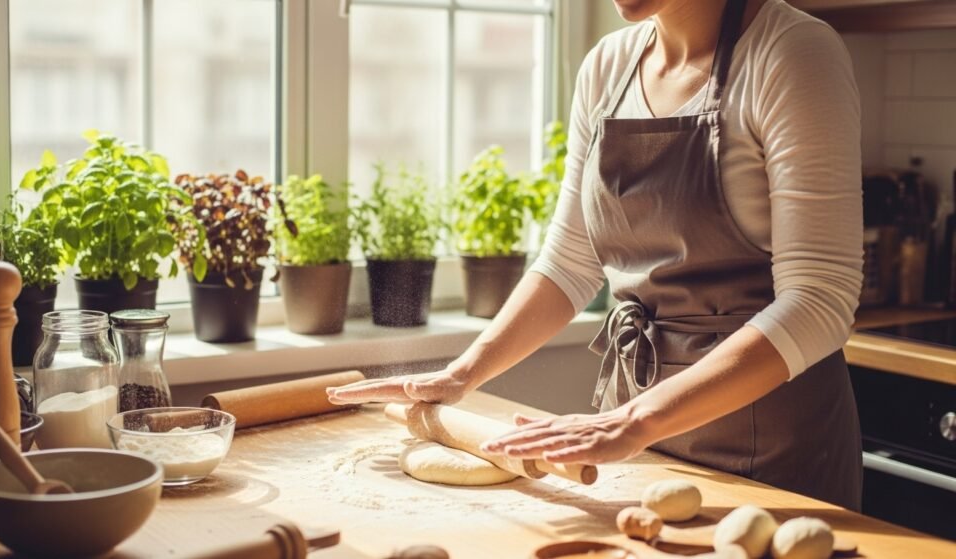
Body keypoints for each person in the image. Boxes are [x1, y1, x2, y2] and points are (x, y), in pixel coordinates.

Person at [327, 0, 863, 510]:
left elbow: (819, 299)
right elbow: (570, 261)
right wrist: (463, 374)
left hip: (769, 448)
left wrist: (639, 419)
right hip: (632, 437)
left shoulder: (793, 52)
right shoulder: (608, 66)